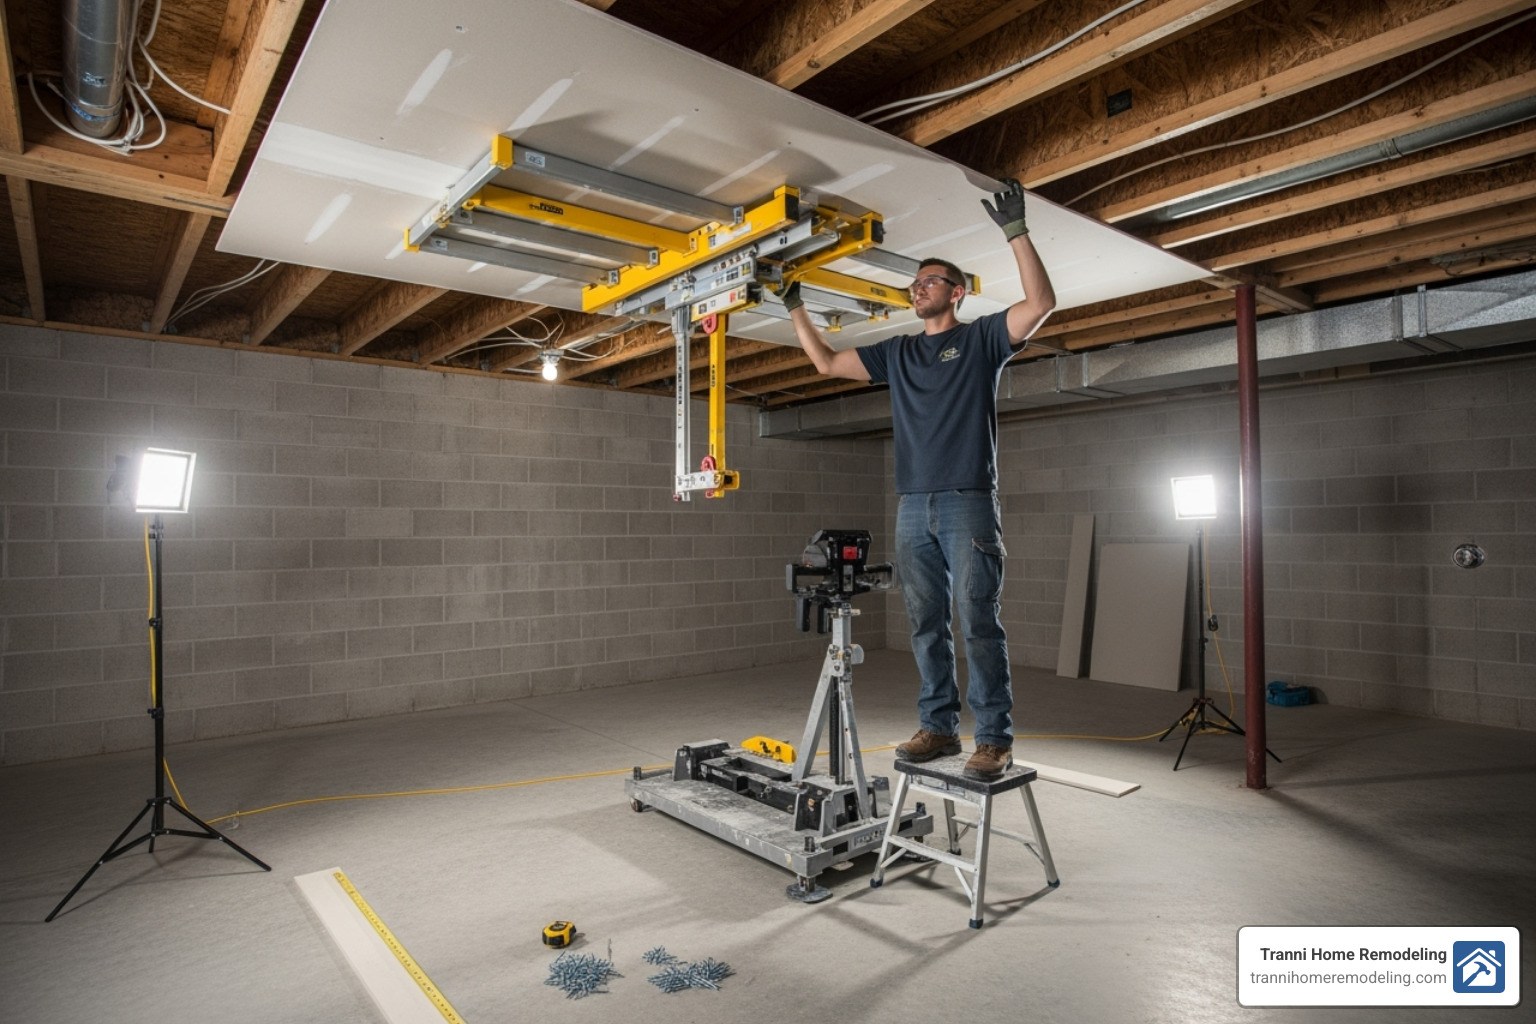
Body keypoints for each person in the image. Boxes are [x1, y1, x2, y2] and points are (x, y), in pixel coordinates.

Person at [783, 180, 1056, 778]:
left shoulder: (981, 339)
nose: (918, 287)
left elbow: (1040, 304)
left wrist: (1016, 233)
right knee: (925, 623)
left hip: (966, 501)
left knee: (977, 617)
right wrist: (793, 306)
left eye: (930, 280)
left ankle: (993, 738)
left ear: (955, 293)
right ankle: (938, 728)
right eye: (915, 282)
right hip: (912, 505)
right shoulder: (898, 353)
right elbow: (827, 362)